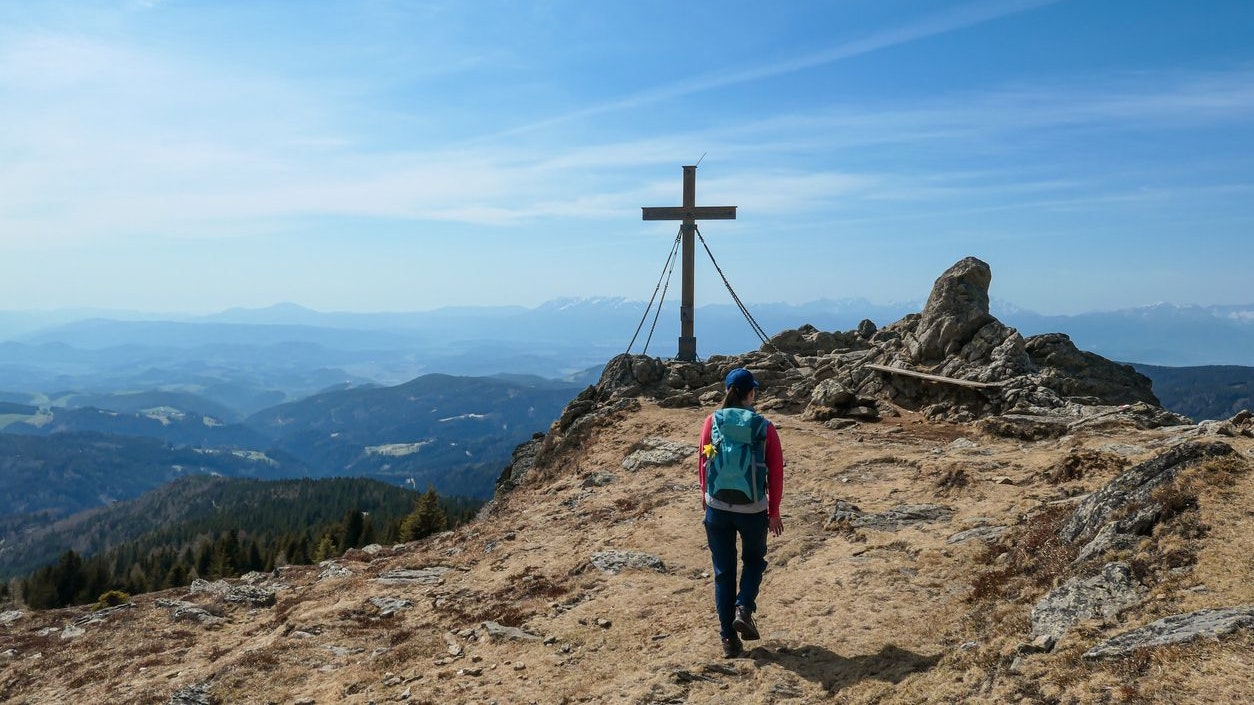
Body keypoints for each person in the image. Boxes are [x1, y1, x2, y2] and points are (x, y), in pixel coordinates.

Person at [698, 367, 785, 658]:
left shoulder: (712, 421)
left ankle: (727, 640)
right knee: (754, 561)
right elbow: (775, 473)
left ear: (727, 391)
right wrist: (773, 512)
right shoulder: (764, 427)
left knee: (723, 573)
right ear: (750, 393)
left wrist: (705, 498)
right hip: (753, 509)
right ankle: (744, 607)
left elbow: (705, 460)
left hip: (717, 507)